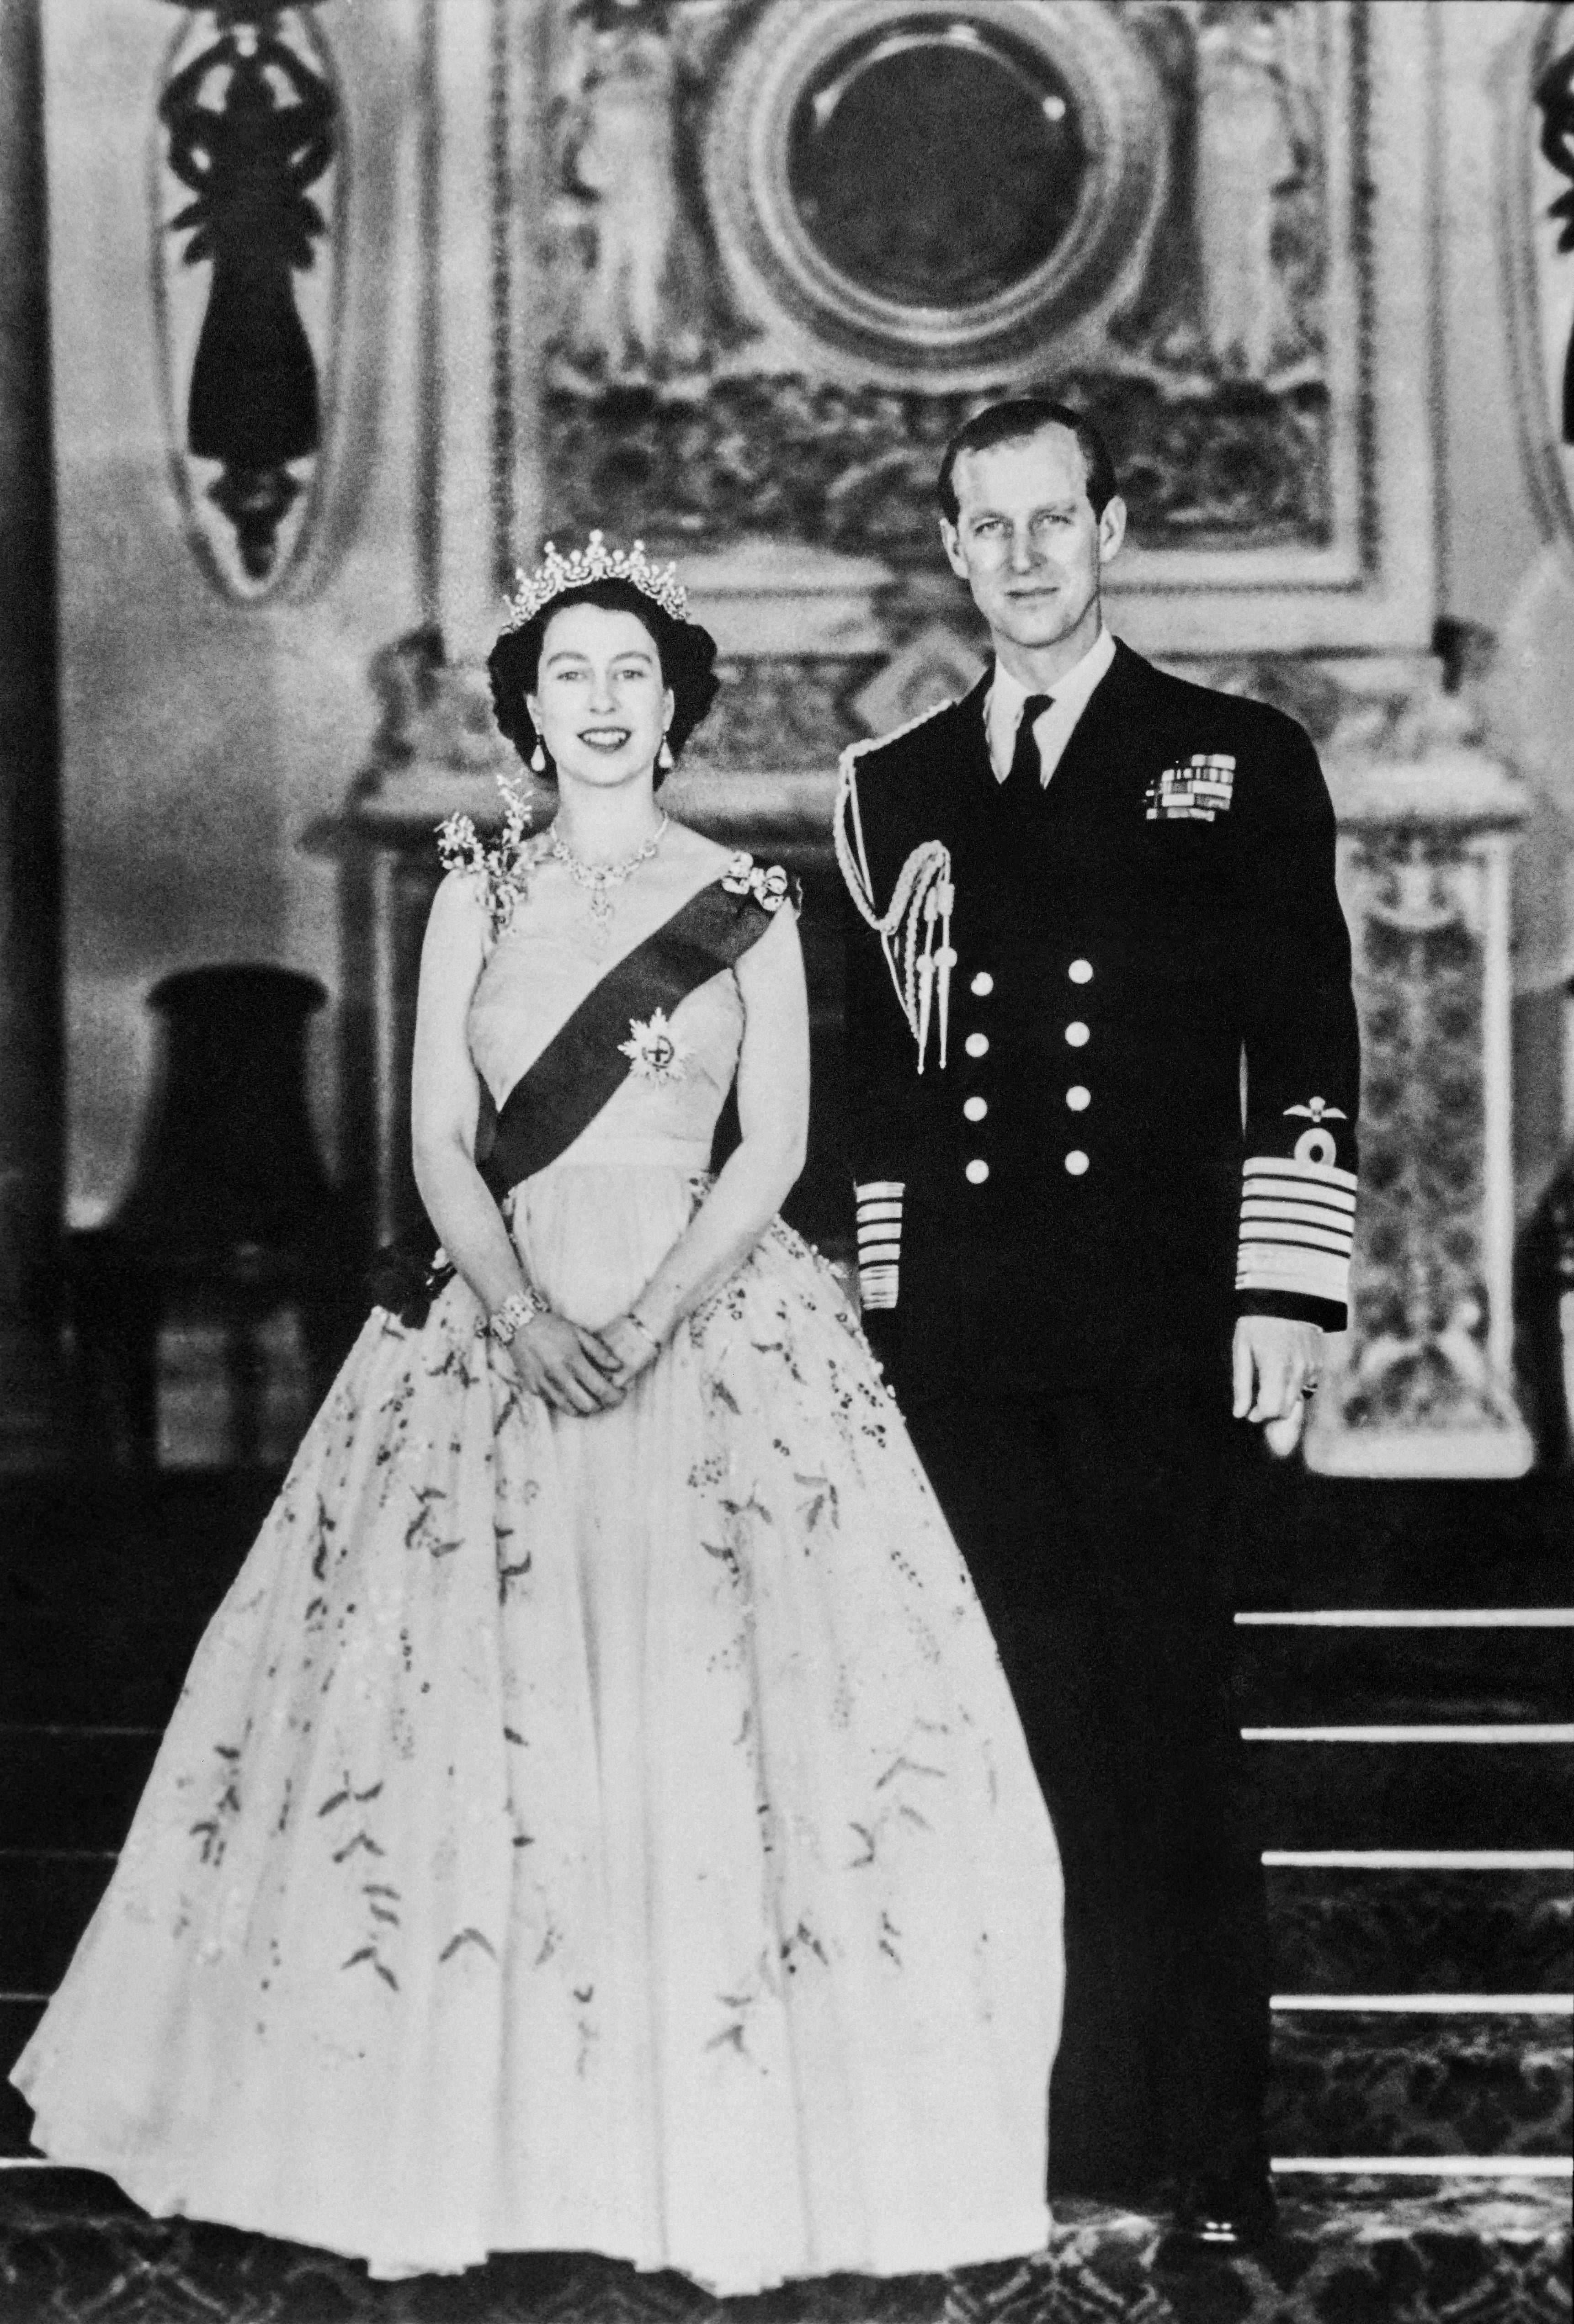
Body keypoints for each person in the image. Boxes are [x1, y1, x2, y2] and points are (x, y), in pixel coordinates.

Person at [13, 535, 1061, 2294]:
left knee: (712, 1731)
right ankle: (472, 2136)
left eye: (629, 677)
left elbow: (782, 1150)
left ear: (672, 712)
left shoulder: (748, 901)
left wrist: (647, 1316)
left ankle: (702, 2139)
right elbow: (436, 1139)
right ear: (527, 709)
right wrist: (521, 1313)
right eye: (567, 673)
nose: (598, 702)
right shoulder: (476, 897)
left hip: (708, 1311)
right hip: (494, 1318)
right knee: (461, 1722)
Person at [836, 399, 1360, 2250]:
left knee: (1173, 1724)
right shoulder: (889, 786)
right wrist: (881, 1319)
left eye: (1059, 519)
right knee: (1018, 1734)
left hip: (1156, 1330)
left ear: (1113, 530)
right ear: (955, 548)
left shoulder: (1229, 758)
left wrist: (1286, 1284)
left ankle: (1214, 2151)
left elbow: (1303, 1042)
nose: (1030, 555)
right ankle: (1062, 2134)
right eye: (993, 526)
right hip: (970, 1338)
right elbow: (882, 1089)